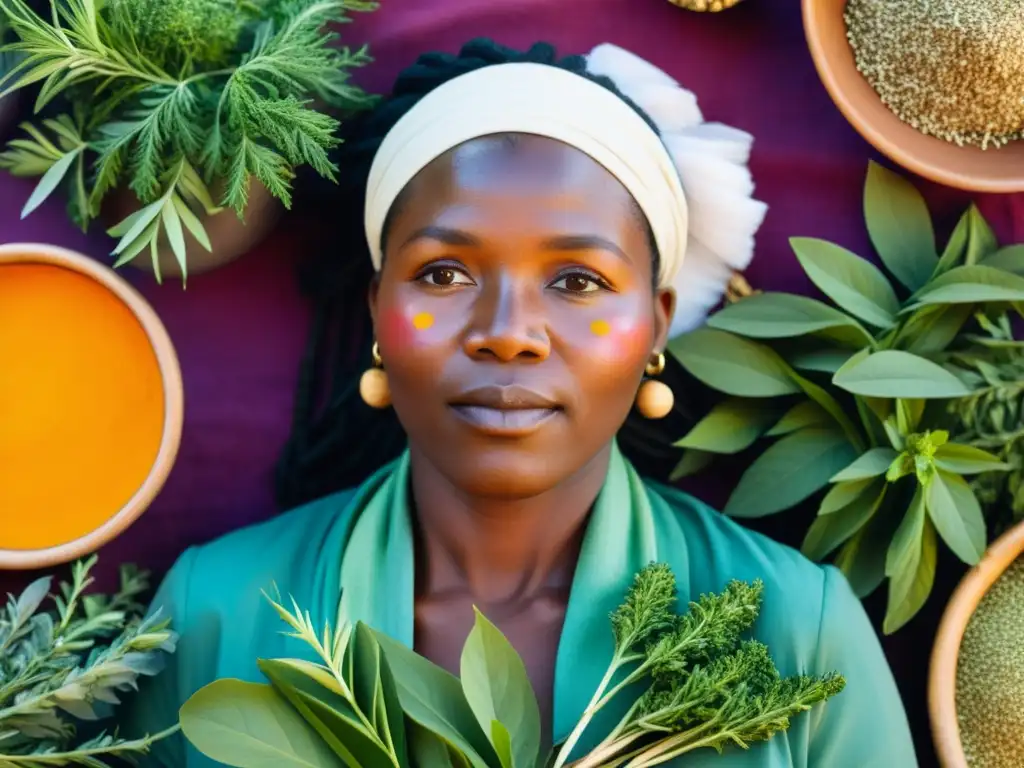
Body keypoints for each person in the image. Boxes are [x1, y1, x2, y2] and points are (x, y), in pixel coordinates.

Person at [123, 39, 918, 767]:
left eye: (578, 281)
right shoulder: (213, 613)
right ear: (375, 312)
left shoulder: (802, 633)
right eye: (444, 274)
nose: (509, 335)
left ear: (655, 327)